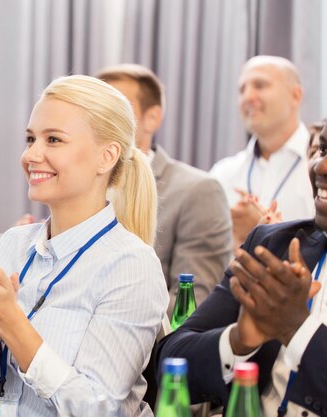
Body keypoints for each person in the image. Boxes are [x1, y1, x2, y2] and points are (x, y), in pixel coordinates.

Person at [0, 75, 169, 417]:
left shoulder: (130, 265)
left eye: (54, 140)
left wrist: (10, 321)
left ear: (106, 157)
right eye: (30, 139)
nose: (32, 154)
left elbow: (95, 408)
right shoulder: (15, 244)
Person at [156, 121, 327, 416]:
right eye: (322, 150)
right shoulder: (274, 245)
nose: (321, 167)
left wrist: (296, 328)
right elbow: (171, 359)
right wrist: (237, 340)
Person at [95, 64, 232, 313]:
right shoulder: (79, 184)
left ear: (152, 117)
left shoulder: (197, 191)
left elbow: (192, 307)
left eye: (118, 110)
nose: (101, 120)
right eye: (95, 110)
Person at [210, 55, 314, 248]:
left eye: (260, 85)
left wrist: (261, 232)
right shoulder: (222, 174)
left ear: (295, 95)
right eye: (242, 89)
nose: (247, 97)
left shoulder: (319, 171)